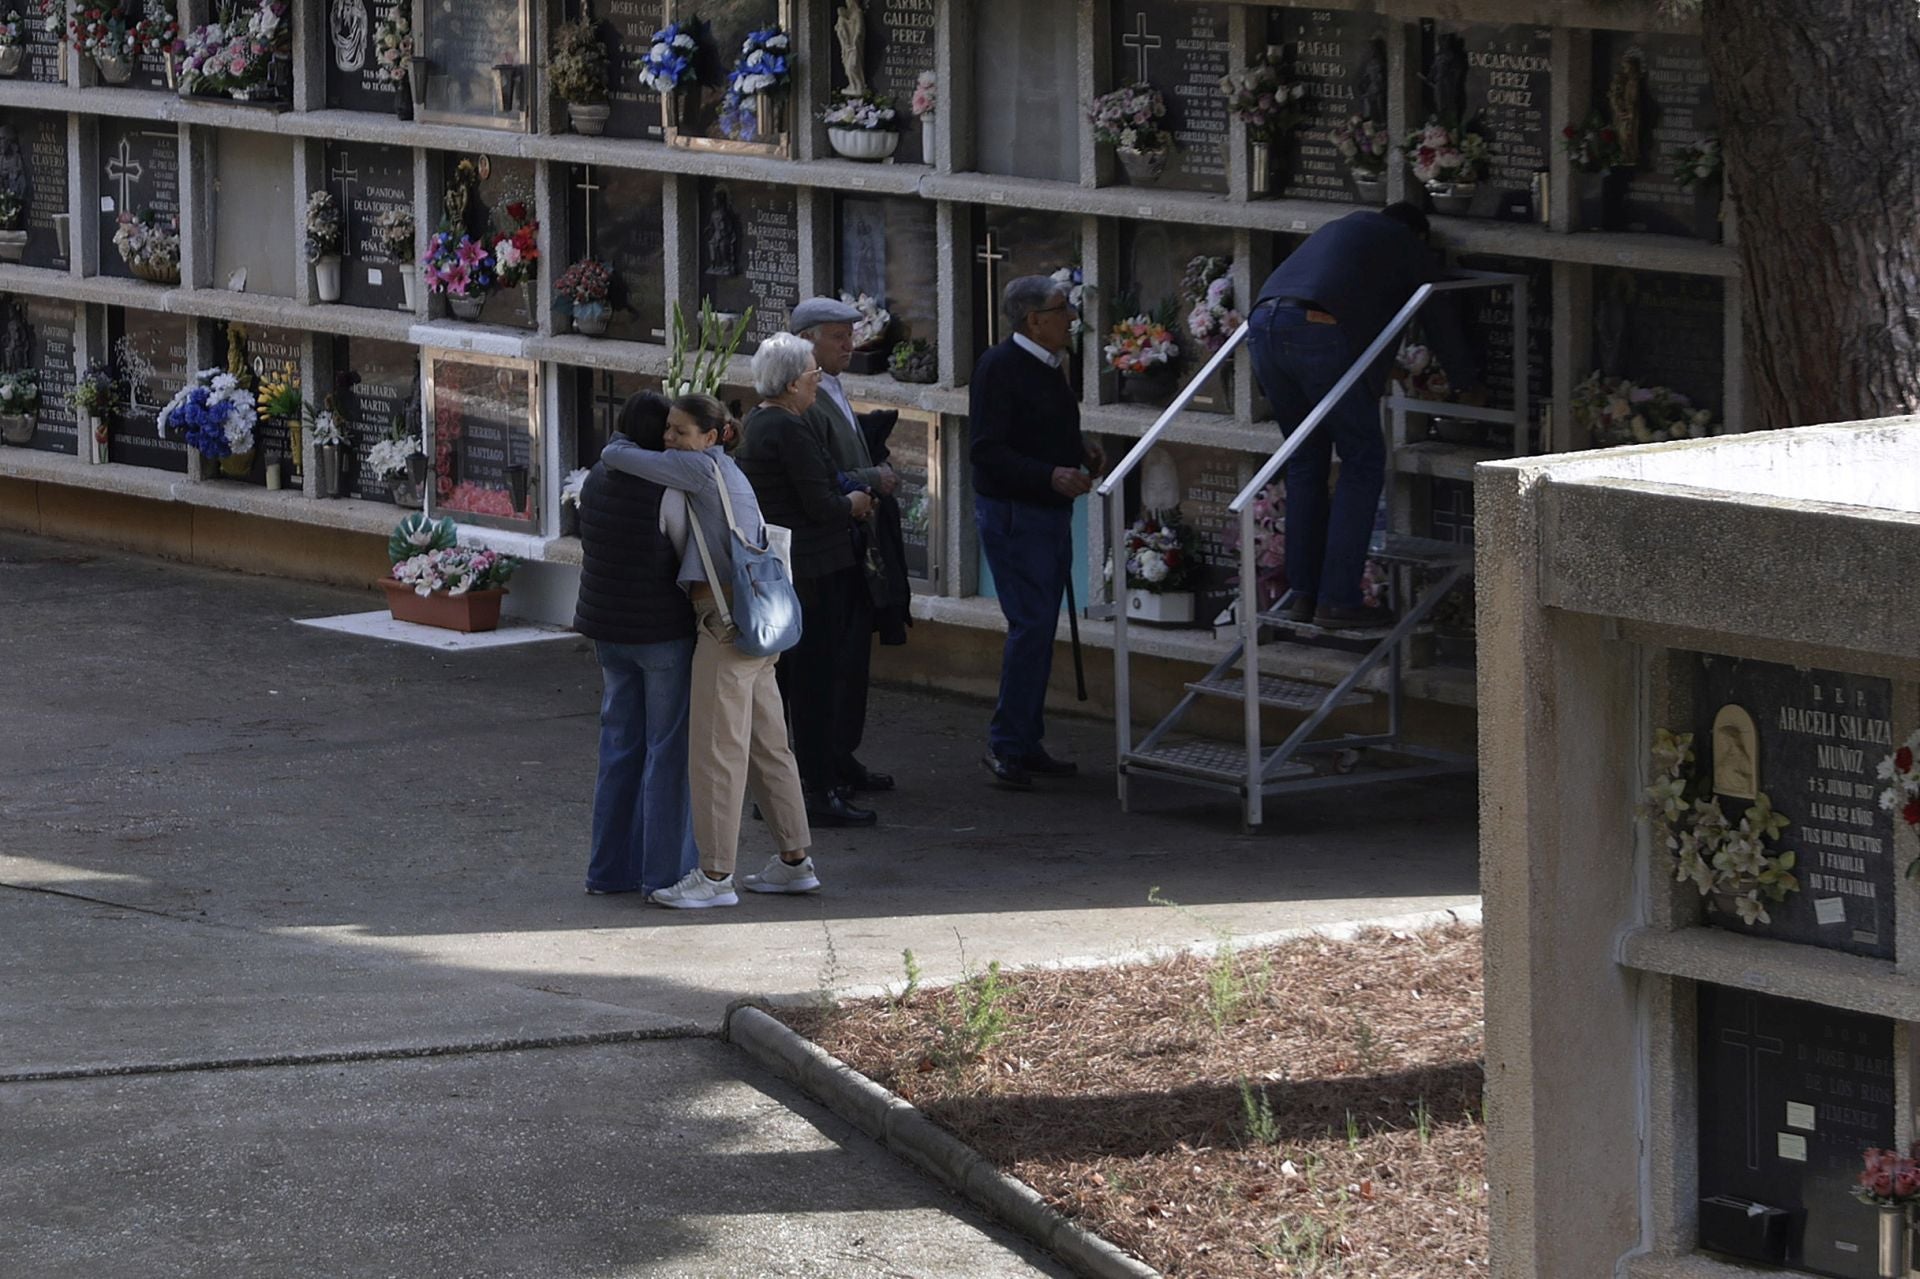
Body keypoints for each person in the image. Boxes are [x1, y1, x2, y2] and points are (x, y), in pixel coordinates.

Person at [600, 393, 819, 908]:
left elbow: (617, 457)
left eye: (680, 431)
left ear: (713, 436)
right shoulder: (729, 472)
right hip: (760, 629)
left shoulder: (697, 469)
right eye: (668, 430)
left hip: (722, 628)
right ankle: (795, 862)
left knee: (716, 753)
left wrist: (620, 439)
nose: (669, 439)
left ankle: (716, 876)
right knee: (770, 750)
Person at [1247, 202, 1481, 629]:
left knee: (1306, 459)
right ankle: (1337, 598)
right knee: (1362, 459)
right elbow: (1437, 309)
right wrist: (1466, 380)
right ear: (1419, 235)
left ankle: (1303, 593)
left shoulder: (1340, 230)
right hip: (1317, 329)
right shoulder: (1404, 241)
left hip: (1263, 324)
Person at [736, 331, 879, 826]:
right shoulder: (789, 430)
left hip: (784, 571)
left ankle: (775, 792)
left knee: (785, 686)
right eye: (814, 376)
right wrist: (855, 504)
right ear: (794, 383)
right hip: (811, 572)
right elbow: (819, 504)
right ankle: (817, 792)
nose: (818, 383)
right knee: (813, 685)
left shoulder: (759, 422)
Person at [969, 274, 1104, 790]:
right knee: (1030, 625)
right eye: (1061, 308)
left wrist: (1079, 448)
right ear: (1034, 320)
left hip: (1042, 511)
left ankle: (1025, 739)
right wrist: (1049, 474)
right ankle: (1006, 744)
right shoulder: (999, 368)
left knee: (1041, 626)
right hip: (1015, 513)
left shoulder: (1049, 365)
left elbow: (1038, 427)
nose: (1071, 316)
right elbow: (987, 449)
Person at [571, 391, 698, 897]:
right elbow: (689, 558)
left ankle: (608, 870)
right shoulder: (665, 488)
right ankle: (664, 874)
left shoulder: (598, 477)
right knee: (666, 753)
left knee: (619, 747)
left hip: (608, 632)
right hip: (661, 634)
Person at [791, 296, 900, 800]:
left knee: (854, 655)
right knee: (830, 657)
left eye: (851, 335)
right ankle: (824, 764)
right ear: (808, 340)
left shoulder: (831, 384)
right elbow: (819, 474)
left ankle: (842, 753)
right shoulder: (801, 399)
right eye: (838, 337)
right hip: (829, 545)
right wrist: (870, 476)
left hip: (856, 541)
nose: (850, 346)